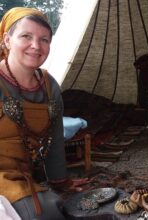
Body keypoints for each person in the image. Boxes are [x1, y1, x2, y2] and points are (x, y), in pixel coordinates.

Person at [0, 7, 80, 219]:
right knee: (43, 213)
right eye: (26, 36)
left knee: (67, 207)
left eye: (44, 39)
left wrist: (60, 181)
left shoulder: (49, 85)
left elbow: (54, 140)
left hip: (24, 175)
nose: (36, 46)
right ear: (7, 40)